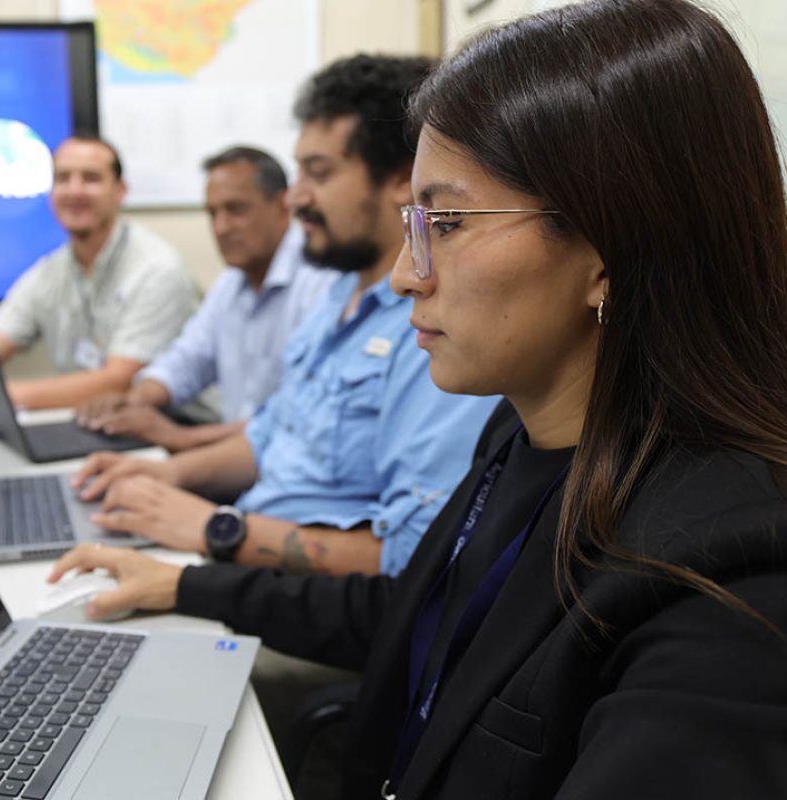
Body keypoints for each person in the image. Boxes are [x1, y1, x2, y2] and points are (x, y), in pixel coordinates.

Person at [49, 1, 787, 797]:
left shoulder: (726, 582)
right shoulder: (520, 432)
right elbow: (416, 616)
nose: (406, 274)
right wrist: (188, 584)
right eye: (414, 222)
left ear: (611, 248)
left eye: (448, 221)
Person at [72, 55, 498, 578]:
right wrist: (165, 475)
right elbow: (272, 436)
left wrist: (214, 529)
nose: (295, 196)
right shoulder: (339, 293)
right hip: (245, 548)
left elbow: (414, 559)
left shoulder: (433, 329)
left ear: (398, 180)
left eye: (319, 173)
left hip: (290, 586)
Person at [75, 145, 336, 452]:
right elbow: (187, 360)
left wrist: (180, 438)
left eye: (236, 210)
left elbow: (297, 417)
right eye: (212, 214)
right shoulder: (231, 283)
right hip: (233, 456)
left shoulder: (323, 283)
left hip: (283, 462)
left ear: (282, 205)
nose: (221, 228)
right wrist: (135, 400)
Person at [0, 133, 197, 411]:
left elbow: (120, 383)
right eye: (63, 178)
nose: (74, 191)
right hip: (104, 421)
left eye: (91, 178)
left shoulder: (157, 270)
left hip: (180, 426)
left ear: (120, 191)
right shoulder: (53, 271)